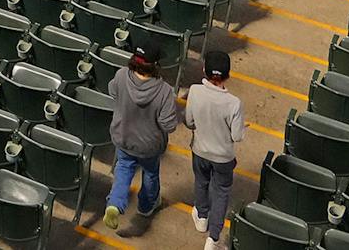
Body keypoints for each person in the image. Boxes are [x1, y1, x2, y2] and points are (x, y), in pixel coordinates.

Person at [102, 47, 179, 229]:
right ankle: (146, 206)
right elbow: (170, 125)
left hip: (123, 138)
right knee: (150, 174)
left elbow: (112, 91)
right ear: (156, 66)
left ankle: (114, 204)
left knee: (123, 169)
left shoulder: (121, 75)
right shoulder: (164, 91)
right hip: (149, 146)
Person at [184, 52, 243, 250]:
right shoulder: (234, 103)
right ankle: (214, 239)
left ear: (204, 70)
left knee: (201, 182)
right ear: (228, 75)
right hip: (223, 158)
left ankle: (201, 216)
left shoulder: (194, 91)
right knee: (221, 193)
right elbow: (237, 136)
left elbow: (189, 122)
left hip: (200, 150)